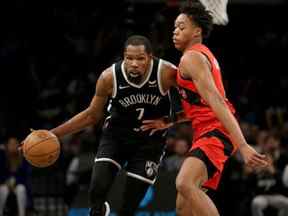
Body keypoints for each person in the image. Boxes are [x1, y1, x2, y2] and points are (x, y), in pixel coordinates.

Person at [21, 35, 177, 216]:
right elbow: (91, 115)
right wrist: (51, 134)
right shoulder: (109, 77)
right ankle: (101, 211)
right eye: (129, 58)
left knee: (129, 206)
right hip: (116, 137)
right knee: (96, 190)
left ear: (150, 58)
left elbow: (195, 107)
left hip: (149, 144)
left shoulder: (167, 73)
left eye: (140, 58)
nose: (134, 63)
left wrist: (167, 121)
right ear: (123, 57)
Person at [141, 2, 269, 216]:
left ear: (197, 31)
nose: (175, 32)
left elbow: (217, 102)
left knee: (184, 183)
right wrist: (170, 121)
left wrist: (243, 145)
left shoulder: (192, 58)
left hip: (216, 131)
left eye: (181, 27)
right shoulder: (199, 55)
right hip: (207, 131)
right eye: (174, 27)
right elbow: (200, 106)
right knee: (183, 207)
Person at [0, 137, 31, 216]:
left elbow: (25, 176)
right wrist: (6, 182)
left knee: (21, 189)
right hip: (5, 183)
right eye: (11, 144)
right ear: (7, 146)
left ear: (18, 145)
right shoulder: (3, 157)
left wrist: (16, 183)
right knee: (2, 190)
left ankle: (22, 214)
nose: (13, 146)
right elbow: (1, 174)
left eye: (15, 144)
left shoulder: (23, 158)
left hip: (18, 183)